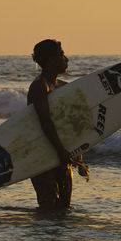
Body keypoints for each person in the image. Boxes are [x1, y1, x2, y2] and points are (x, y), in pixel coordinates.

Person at [28, 39, 77, 210]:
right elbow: (45, 122)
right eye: (62, 55)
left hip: (60, 151)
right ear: (50, 60)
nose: (66, 59)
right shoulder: (39, 86)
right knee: (48, 204)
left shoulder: (62, 87)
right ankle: (45, 236)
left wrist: (77, 149)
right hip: (41, 153)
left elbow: (68, 123)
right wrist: (60, 150)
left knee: (64, 206)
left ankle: (56, 238)